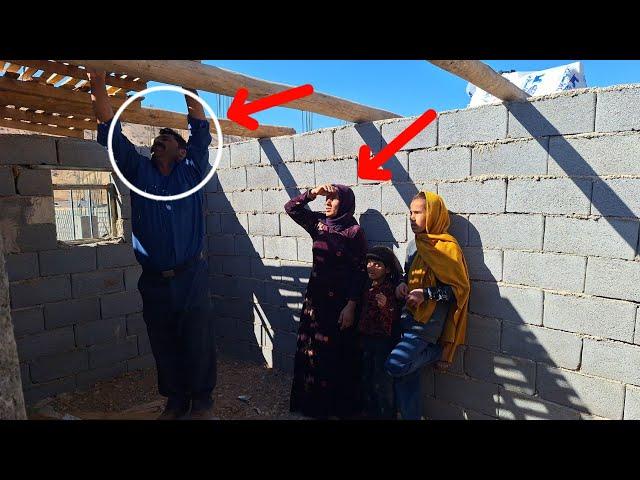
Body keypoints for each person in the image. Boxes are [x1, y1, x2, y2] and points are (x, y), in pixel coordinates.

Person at [86, 68, 217, 420]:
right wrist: (98, 85)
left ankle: (202, 404)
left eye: (167, 137)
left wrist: (188, 81)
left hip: (191, 276)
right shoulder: (137, 171)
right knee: (164, 343)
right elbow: (112, 132)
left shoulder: (191, 171)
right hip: (155, 279)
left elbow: (199, 127)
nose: (159, 139)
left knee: (198, 340)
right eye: (157, 137)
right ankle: (175, 402)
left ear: (181, 150)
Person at [385, 191, 470, 420]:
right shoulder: (414, 245)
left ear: (432, 214)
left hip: (427, 325)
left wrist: (426, 293)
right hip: (406, 316)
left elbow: (458, 290)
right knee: (406, 378)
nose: (412, 218)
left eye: (418, 212)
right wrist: (402, 284)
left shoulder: (447, 248)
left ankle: (436, 353)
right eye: (410, 212)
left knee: (395, 365)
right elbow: (406, 273)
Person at [285, 183, 368, 419]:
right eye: (327, 198)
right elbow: (291, 208)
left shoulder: (353, 232)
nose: (328, 202)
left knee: (334, 355)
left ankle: (333, 408)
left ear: (346, 203)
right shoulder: (319, 224)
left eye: (334, 198)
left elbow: (360, 272)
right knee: (311, 350)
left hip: (339, 304)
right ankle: (310, 405)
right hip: (316, 301)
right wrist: (312, 193)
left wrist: (351, 306)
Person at [358, 245, 403, 419]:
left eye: (377, 264)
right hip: (366, 339)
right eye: (369, 262)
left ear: (388, 269)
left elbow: (395, 317)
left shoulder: (391, 289)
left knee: (382, 382)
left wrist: (386, 306)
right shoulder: (367, 285)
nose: (371, 266)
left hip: (383, 342)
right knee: (366, 378)